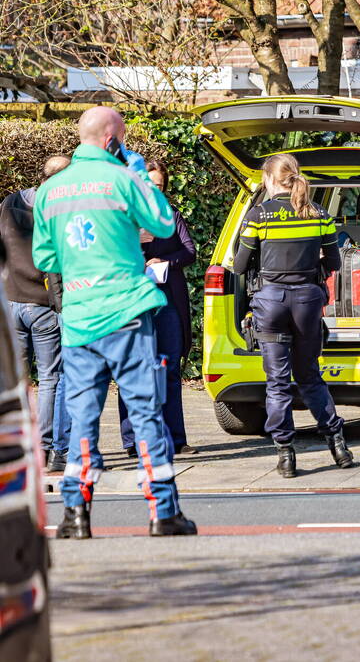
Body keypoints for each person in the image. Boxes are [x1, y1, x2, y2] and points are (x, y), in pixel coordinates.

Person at [32, 106, 196, 538]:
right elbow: (161, 221)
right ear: (113, 141)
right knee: (145, 412)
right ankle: (163, 514)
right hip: (125, 313)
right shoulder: (124, 180)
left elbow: (45, 258)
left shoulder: (52, 190)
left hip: (81, 319)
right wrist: (139, 174)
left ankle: (75, 515)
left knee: (83, 417)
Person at [233, 154, 353, 477]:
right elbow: (336, 263)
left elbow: (240, 266)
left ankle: (286, 455)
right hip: (307, 303)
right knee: (310, 376)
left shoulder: (259, 216)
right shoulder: (319, 214)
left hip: (270, 304)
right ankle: (338, 445)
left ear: (271, 181)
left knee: (277, 383)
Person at [117, 160, 197, 457]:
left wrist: (166, 262)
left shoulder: (171, 216)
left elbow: (189, 251)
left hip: (167, 302)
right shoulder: (122, 217)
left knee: (170, 370)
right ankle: (132, 440)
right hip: (133, 304)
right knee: (134, 371)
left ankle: (176, 439)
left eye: (160, 186)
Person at [0, 155, 72, 472]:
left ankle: (18, 447)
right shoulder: (58, 209)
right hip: (43, 305)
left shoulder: (9, 203)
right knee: (51, 379)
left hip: (11, 299)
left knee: (17, 381)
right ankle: (44, 448)